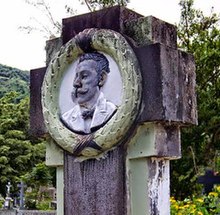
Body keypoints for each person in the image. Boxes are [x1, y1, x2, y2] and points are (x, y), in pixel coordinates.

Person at [60, 52, 117, 134]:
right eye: (76, 76)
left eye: (84, 76)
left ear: (101, 78)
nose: (76, 83)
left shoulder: (112, 111)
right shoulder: (66, 118)